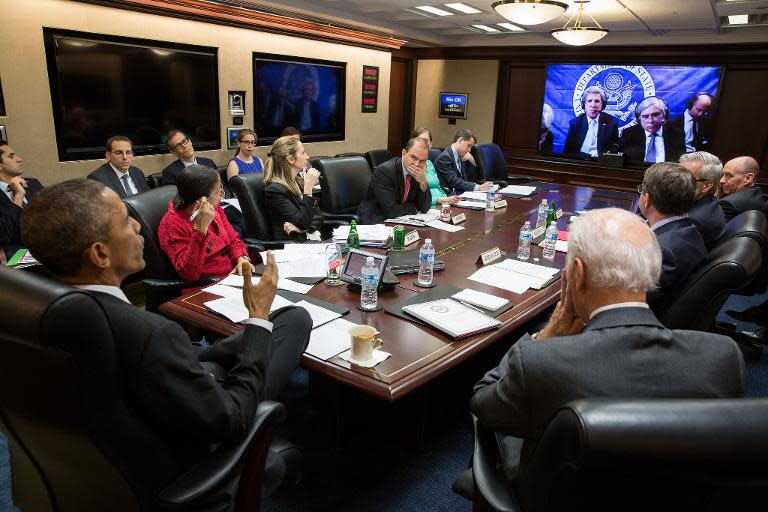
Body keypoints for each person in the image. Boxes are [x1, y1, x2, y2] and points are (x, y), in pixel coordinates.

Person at [20, 178, 311, 508]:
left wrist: (197, 363)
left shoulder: (45, 313)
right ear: (100, 254)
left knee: (290, 320)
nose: (138, 226)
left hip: (126, 437)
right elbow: (233, 420)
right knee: (280, 325)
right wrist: (257, 315)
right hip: (189, 457)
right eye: (125, 220)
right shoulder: (150, 333)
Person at [469, 207, 744, 486]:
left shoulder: (543, 362)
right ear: (653, 269)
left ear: (576, 274)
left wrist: (546, 336)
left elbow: (484, 405)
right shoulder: (722, 358)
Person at [158, 165, 252, 282]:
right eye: (219, 192)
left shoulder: (215, 208)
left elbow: (233, 239)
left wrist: (241, 258)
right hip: (204, 287)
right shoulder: (171, 223)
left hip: (232, 277)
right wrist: (200, 229)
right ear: (202, 200)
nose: (222, 196)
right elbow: (188, 274)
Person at [638, 162, 707, 312]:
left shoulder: (662, 251)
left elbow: (638, 300)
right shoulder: (689, 230)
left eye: (641, 190)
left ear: (647, 199)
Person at [356, 137, 432, 224]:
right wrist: (414, 208)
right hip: (375, 221)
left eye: (422, 161)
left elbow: (424, 208)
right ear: (404, 153)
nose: (416, 164)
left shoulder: (418, 175)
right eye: (413, 158)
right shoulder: (384, 171)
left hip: (401, 220)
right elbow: (391, 211)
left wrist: (423, 183)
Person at [264, 135, 323, 242]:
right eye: (303, 153)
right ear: (291, 159)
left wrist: (302, 230)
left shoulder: (298, 181)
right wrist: (308, 188)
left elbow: (318, 216)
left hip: (305, 240)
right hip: (290, 247)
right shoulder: (275, 190)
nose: (307, 157)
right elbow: (303, 222)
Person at [0, 141, 43, 259]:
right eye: (11, 156)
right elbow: (3, 235)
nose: (19, 159)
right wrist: (18, 196)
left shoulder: (33, 184)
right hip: (16, 262)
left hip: (48, 250)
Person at [679, 151, 726, 248]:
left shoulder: (692, 222)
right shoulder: (709, 203)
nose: (675, 181)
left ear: (706, 186)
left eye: (685, 177)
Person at [619, 96, 685, 164]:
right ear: (639, 119)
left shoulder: (677, 134)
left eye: (655, 115)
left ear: (664, 116)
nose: (650, 120)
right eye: (645, 116)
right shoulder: (628, 134)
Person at [563, 86, 619, 157]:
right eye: (589, 101)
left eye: (597, 101)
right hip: (580, 161)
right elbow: (568, 151)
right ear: (584, 105)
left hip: (601, 162)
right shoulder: (575, 123)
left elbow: (615, 148)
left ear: (602, 105)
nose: (593, 105)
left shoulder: (612, 122)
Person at [434, 128, 493, 195]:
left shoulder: (461, 155)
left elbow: (469, 179)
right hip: (449, 196)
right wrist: (479, 187)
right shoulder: (444, 157)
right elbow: (454, 181)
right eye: (468, 146)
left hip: (461, 193)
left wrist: (472, 161)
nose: (469, 150)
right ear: (461, 140)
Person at [411, 127, 460, 208]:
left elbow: (438, 187)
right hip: (427, 206)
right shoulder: (413, 165)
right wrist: (440, 200)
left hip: (444, 203)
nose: (424, 144)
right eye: (420, 140)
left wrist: (447, 199)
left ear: (431, 144)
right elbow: (416, 196)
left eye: (426, 141)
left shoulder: (429, 163)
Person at [716, 156, 764, 222]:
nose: (721, 180)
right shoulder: (756, 193)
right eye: (723, 175)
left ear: (748, 178)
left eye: (729, 175)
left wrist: (716, 198)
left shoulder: (727, 204)